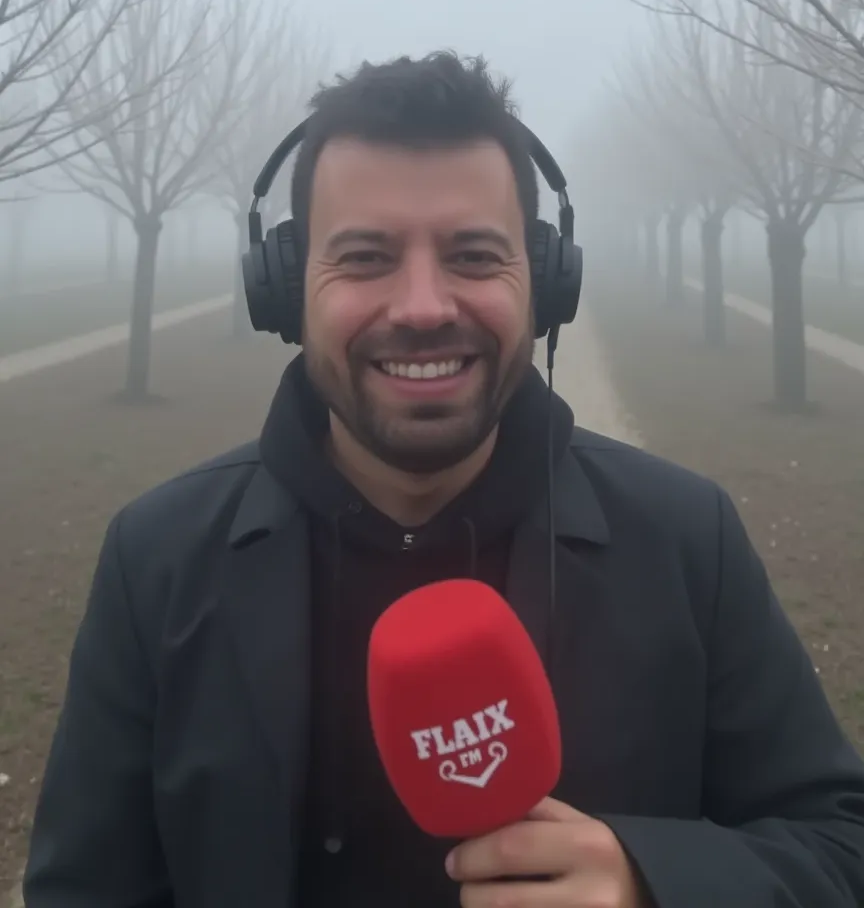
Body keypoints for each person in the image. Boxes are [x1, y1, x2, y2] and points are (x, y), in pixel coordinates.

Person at [23, 51, 864, 907]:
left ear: (546, 282)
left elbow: (841, 845)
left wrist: (650, 882)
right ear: (282, 289)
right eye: (364, 258)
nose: (423, 307)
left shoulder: (687, 539)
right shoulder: (157, 559)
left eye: (471, 255)